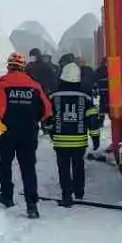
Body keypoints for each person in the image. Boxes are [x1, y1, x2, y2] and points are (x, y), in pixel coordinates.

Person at [0, 52, 51, 218]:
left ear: (9, 66)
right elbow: (47, 110)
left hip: (7, 132)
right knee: (28, 168)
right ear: (23, 66)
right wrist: (34, 121)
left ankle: (7, 196)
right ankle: (32, 205)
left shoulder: (3, 83)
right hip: (28, 133)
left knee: (4, 165)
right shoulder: (34, 85)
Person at [48, 62, 101, 207]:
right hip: (79, 141)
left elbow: (47, 117)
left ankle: (66, 196)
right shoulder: (86, 98)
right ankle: (79, 191)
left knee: (63, 168)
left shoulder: (53, 97)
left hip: (60, 140)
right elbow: (93, 120)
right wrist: (95, 138)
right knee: (78, 165)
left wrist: (51, 132)